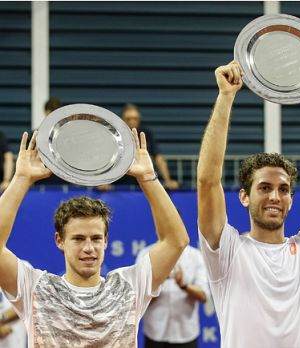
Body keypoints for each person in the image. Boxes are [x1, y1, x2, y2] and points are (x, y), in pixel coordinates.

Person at [0, 129, 189, 347]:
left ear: (106, 241)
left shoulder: (129, 286)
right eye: (78, 239)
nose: (89, 247)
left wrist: (148, 178)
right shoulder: (36, 288)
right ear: (59, 241)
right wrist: (21, 179)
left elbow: (176, 241)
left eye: (96, 238)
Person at [197, 60, 300, 348]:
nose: (275, 197)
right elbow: (207, 181)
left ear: (290, 198)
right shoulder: (226, 252)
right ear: (244, 196)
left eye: (283, 189)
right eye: (264, 188)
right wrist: (226, 97)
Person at [137, 243, 210, 348]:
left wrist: (184, 285)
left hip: (186, 334)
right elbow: (139, 299)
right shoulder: (146, 255)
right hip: (154, 332)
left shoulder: (195, 256)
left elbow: (203, 296)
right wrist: (159, 280)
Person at [116, 104, 179, 190]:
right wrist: (104, 182)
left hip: (143, 183)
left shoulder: (146, 134)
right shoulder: (115, 135)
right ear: (122, 119)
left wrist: (167, 180)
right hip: (119, 186)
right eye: (128, 119)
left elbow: (158, 157)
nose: (132, 121)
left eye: (135, 118)